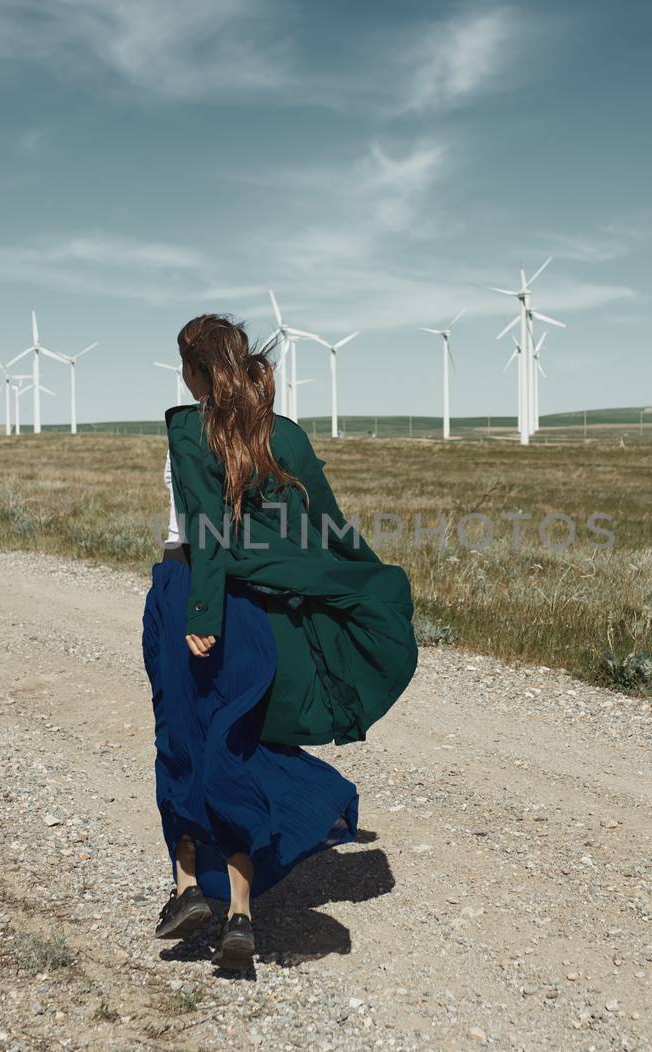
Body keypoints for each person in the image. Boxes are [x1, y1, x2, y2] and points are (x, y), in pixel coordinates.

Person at [144, 314, 417, 971]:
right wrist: (365, 579)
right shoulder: (284, 435)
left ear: (195, 371)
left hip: (189, 594)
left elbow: (205, 529)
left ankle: (186, 888)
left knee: (183, 740)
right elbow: (330, 521)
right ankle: (238, 912)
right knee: (237, 741)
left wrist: (202, 611)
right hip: (259, 612)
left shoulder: (187, 427)